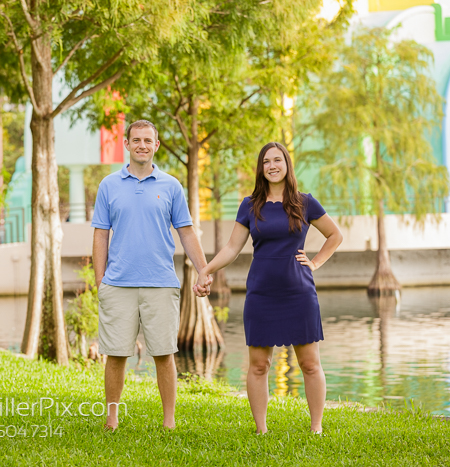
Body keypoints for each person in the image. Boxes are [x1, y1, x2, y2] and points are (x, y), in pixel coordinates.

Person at [194, 142, 342, 434]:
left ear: (287, 164)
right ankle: (261, 430)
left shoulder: (305, 202)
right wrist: (206, 270)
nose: (272, 166)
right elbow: (232, 248)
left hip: (299, 291)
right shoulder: (250, 205)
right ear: (261, 169)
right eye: (266, 162)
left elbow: (334, 235)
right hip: (261, 292)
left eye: (278, 160)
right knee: (259, 365)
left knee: (310, 363)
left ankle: (316, 427)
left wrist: (314, 263)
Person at [91, 119, 212, 430]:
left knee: (164, 354)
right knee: (116, 355)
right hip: (118, 284)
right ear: (127, 145)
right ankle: (112, 418)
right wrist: (100, 280)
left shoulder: (171, 186)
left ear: (156, 145)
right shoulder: (109, 185)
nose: (142, 145)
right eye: (136, 139)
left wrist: (203, 271)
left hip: (161, 283)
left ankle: (169, 421)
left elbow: (186, 232)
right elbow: (101, 235)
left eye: (148, 140)